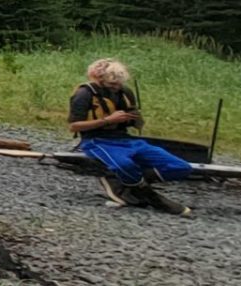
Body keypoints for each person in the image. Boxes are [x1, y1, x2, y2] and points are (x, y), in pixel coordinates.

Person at [67, 58, 192, 210]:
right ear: (100, 79)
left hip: (125, 139)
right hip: (97, 140)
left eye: (119, 83)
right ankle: (145, 193)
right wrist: (108, 120)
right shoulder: (84, 94)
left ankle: (124, 181)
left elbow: (137, 121)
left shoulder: (125, 92)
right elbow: (73, 126)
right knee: (125, 165)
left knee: (180, 167)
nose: (116, 87)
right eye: (112, 84)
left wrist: (136, 119)